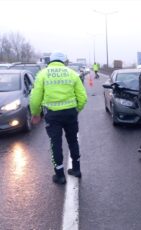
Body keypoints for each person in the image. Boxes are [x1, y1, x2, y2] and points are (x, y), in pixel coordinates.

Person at [30, 51, 87, 185]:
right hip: (70, 114)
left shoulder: (43, 74)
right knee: (73, 141)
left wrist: (36, 113)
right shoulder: (72, 73)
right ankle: (77, 170)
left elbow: (35, 98)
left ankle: (60, 176)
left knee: (55, 144)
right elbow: (83, 98)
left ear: (50, 61)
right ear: (64, 61)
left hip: (52, 115)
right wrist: (76, 110)